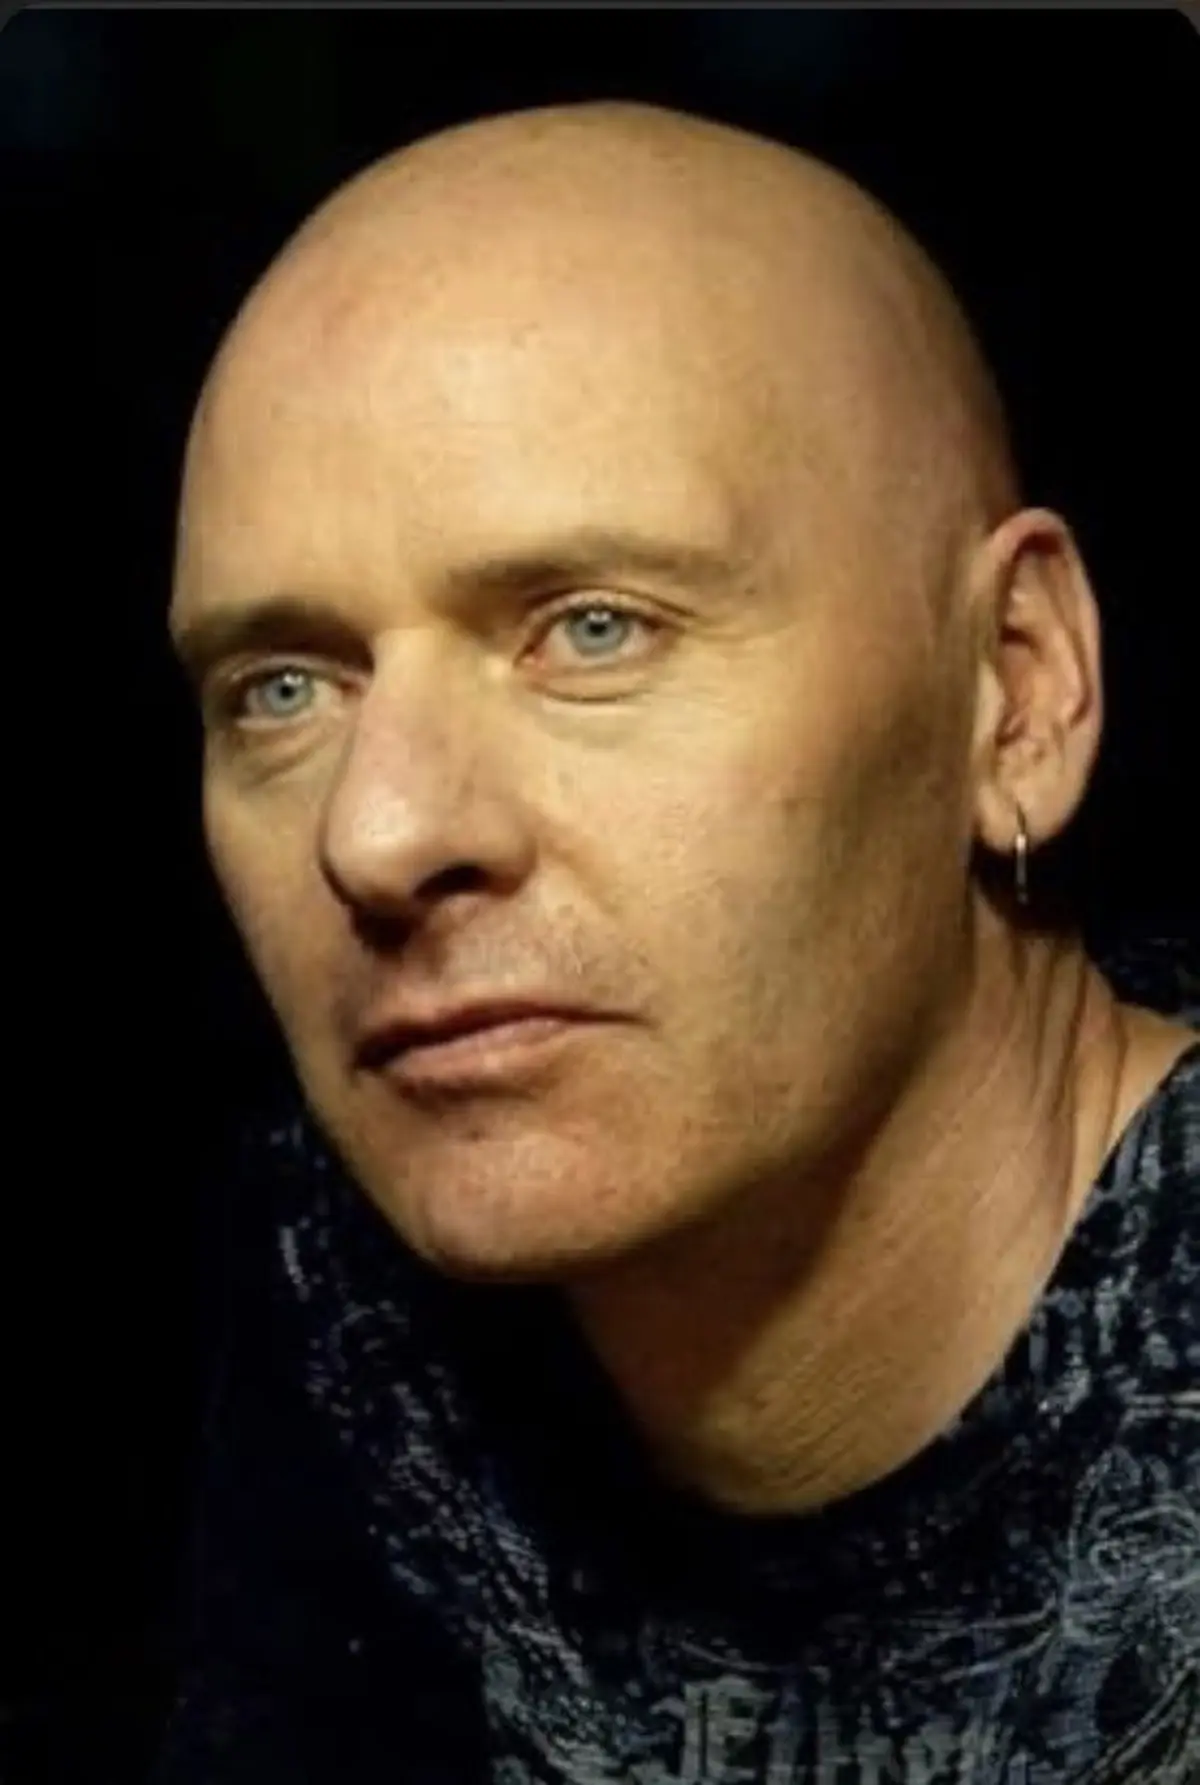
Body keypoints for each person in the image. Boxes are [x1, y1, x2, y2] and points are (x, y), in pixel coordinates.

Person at [155, 101, 1198, 1783]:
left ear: (1013, 692)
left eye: (593, 630)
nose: (380, 833)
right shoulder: (340, 1292)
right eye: (282, 688)